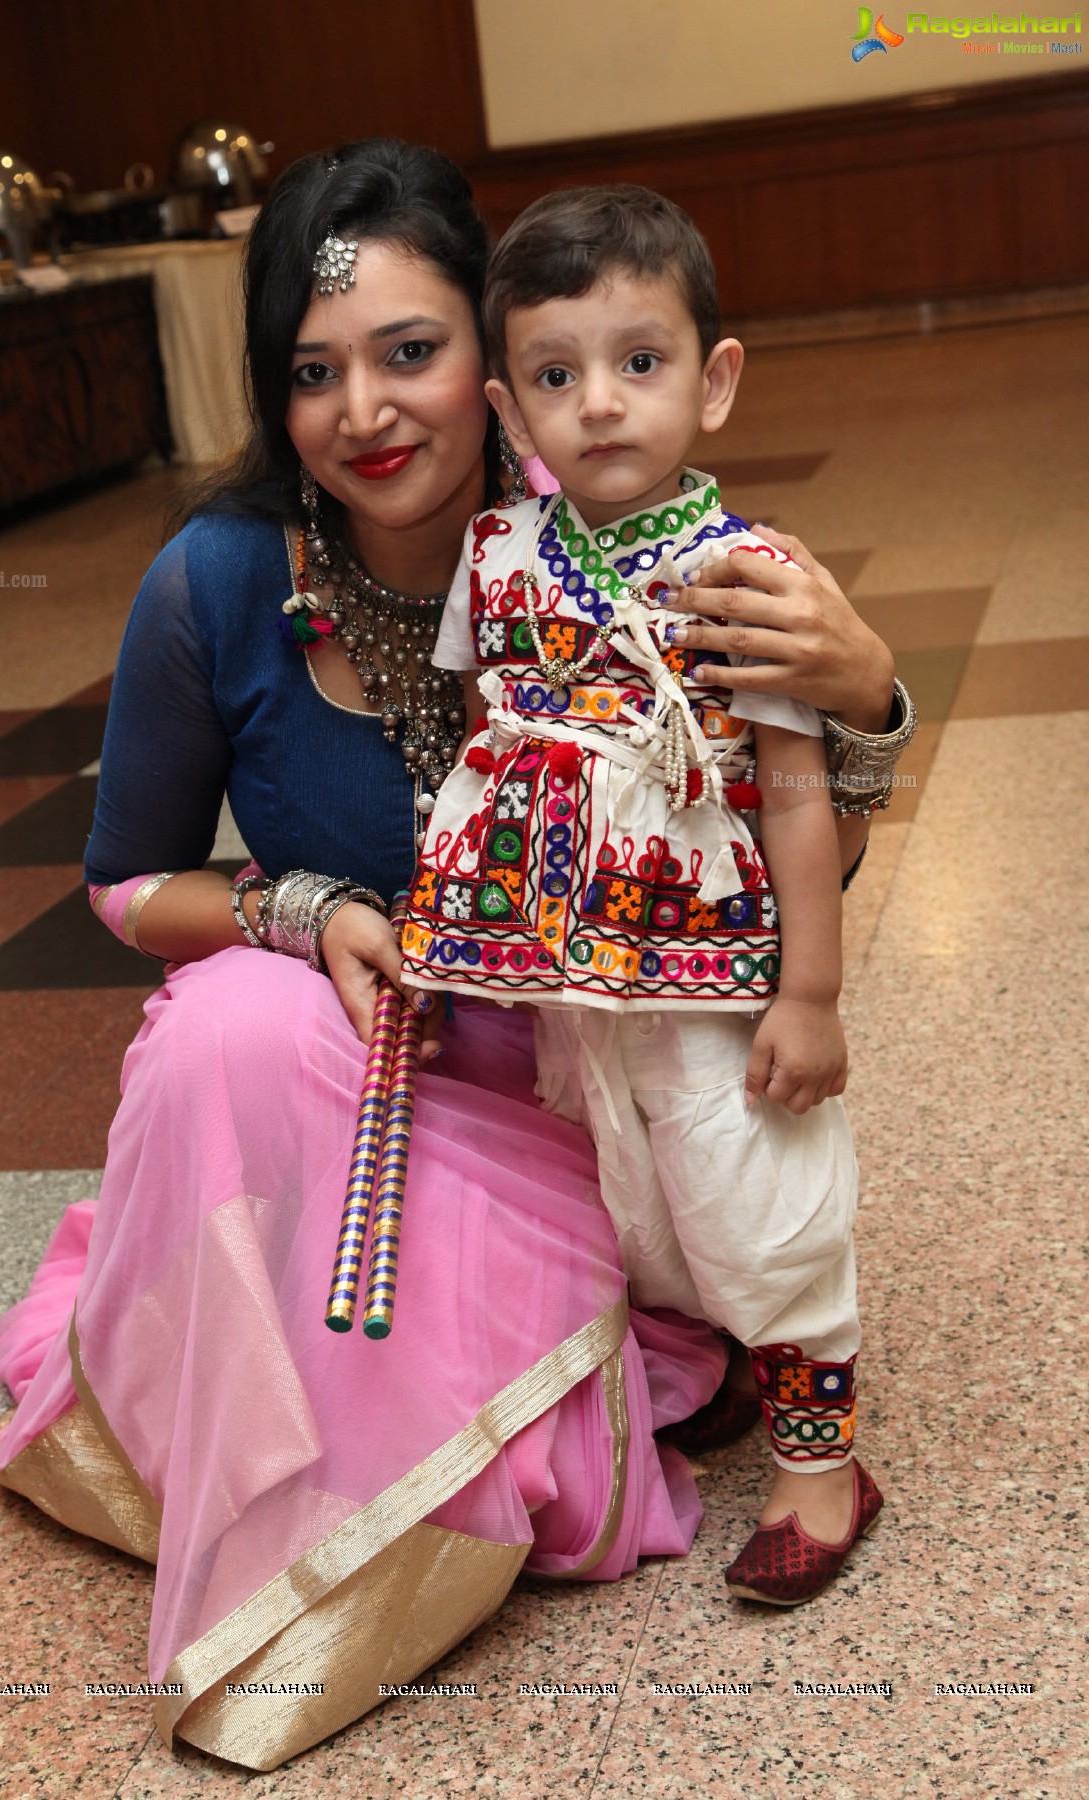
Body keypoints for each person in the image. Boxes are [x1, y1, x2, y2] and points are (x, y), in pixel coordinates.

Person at [0, 143, 912, 1770]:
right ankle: (316, 1516)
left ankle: (528, 1395)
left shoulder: (612, 540)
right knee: (226, 1031)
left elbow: (759, 839)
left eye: (411, 353)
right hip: (358, 1074)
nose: (367, 412)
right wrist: (306, 914)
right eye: (313, 372)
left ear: (494, 361)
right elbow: (124, 885)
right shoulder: (214, 584)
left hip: (576, 1081)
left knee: (702, 1201)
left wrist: (866, 701)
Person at [400, 186, 916, 1606]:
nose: (603, 404)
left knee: (756, 1192)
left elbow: (795, 791)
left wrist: (809, 993)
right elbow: (481, 738)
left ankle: (827, 1469)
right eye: (559, 377)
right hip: (564, 966)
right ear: (513, 407)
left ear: (717, 377)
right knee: (635, 1200)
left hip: (714, 959)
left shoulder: (749, 574)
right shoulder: (498, 555)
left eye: (643, 362)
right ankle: (721, 1362)